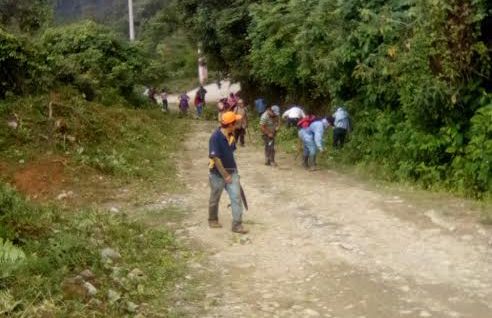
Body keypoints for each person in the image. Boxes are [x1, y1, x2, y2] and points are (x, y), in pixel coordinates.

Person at [208, 111, 248, 234]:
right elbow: (215, 158)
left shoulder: (231, 136)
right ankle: (212, 219)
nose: (237, 124)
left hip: (232, 171)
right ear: (230, 124)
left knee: (236, 197)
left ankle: (237, 224)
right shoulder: (215, 137)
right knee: (215, 197)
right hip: (217, 173)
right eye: (235, 122)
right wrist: (225, 175)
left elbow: (230, 153)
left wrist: (233, 173)